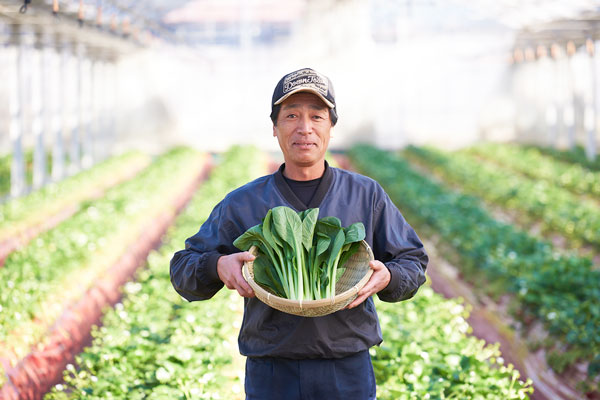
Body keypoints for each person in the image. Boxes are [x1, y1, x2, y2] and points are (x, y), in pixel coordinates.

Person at [170, 67, 428, 400]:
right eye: (291, 115)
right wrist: (217, 267)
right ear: (275, 128)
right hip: (272, 372)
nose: (304, 128)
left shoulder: (366, 195)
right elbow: (182, 269)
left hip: (346, 369)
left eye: (317, 116)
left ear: (331, 127)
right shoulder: (244, 202)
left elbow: (413, 262)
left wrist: (389, 276)